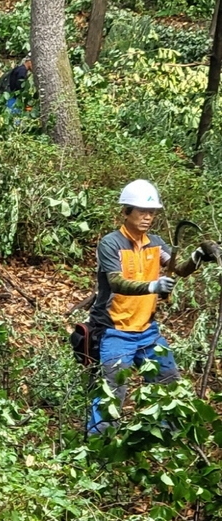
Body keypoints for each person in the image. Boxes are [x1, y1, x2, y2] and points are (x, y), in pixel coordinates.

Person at [87, 179, 221, 433]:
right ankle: (99, 447)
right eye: (142, 211)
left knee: (168, 383)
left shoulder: (155, 243)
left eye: (152, 212)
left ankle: (164, 439)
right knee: (111, 392)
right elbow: (116, 282)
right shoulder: (111, 243)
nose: (147, 217)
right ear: (126, 211)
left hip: (147, 330)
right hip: (115, 330)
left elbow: (178, 269)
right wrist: (153, 287)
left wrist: (198, 256)